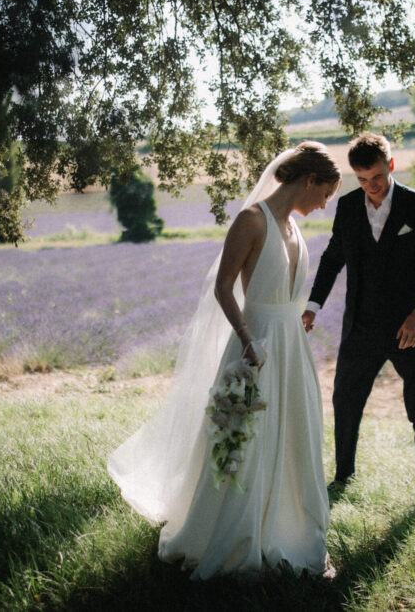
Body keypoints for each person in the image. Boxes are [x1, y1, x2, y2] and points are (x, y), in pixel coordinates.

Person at [108, 142, 341, 580]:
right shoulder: (252, 221)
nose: (324, 203)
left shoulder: (294, 228)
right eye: (325, 193)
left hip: (292, 348)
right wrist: (248, 339)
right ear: (309, 179)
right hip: (256, 347)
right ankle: (235, 536)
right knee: (245, 442)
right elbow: (223, 287)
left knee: (295, 439)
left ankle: (292, 531)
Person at [302, 132, 415, 507]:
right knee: (345, 404)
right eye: (362, 180)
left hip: (411, 333)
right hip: (361, 329)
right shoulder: (349, 206)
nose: (371, 187)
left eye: (376, 177)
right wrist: (313, 305)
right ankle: (342, 479)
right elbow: (332, 259)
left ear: (390, 166)